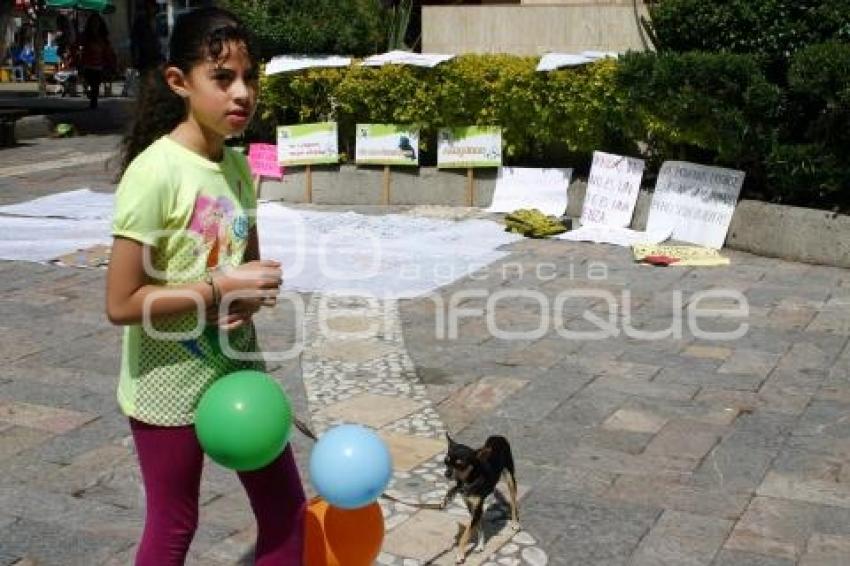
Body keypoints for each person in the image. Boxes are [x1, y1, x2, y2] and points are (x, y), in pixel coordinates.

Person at [106, 7, 306, 565]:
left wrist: (252, 292)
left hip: (238, 371)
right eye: (222, 78)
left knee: (287, 514)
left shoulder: (239, 168)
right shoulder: (155, 174)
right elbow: (122, 302)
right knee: (175, 525)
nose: (241, 93)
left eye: (250, 77)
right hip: (166, 383)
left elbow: (250, 267)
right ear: (179, 83)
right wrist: (220, 287)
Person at [78, 13, 116, 108]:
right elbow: (82, 51)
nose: (95, 24)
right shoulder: (86, 37)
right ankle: (91, 98)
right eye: (93, 22)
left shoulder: (102, 38)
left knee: (95, 87)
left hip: (98, 67)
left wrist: (111, 65)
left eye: (97, 22)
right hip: (88, 66)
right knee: (89, 85)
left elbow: (107, 52)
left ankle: (93, 104)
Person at [131, 0, 162, 76]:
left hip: (156, 56)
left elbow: (157, 37)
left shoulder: (157, 20)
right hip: (144, 57)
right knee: (145, 78)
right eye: (149, 7)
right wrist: (135, 58)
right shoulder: (140, 21)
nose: (151, 9)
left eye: (152, 7)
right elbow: (135, 40)